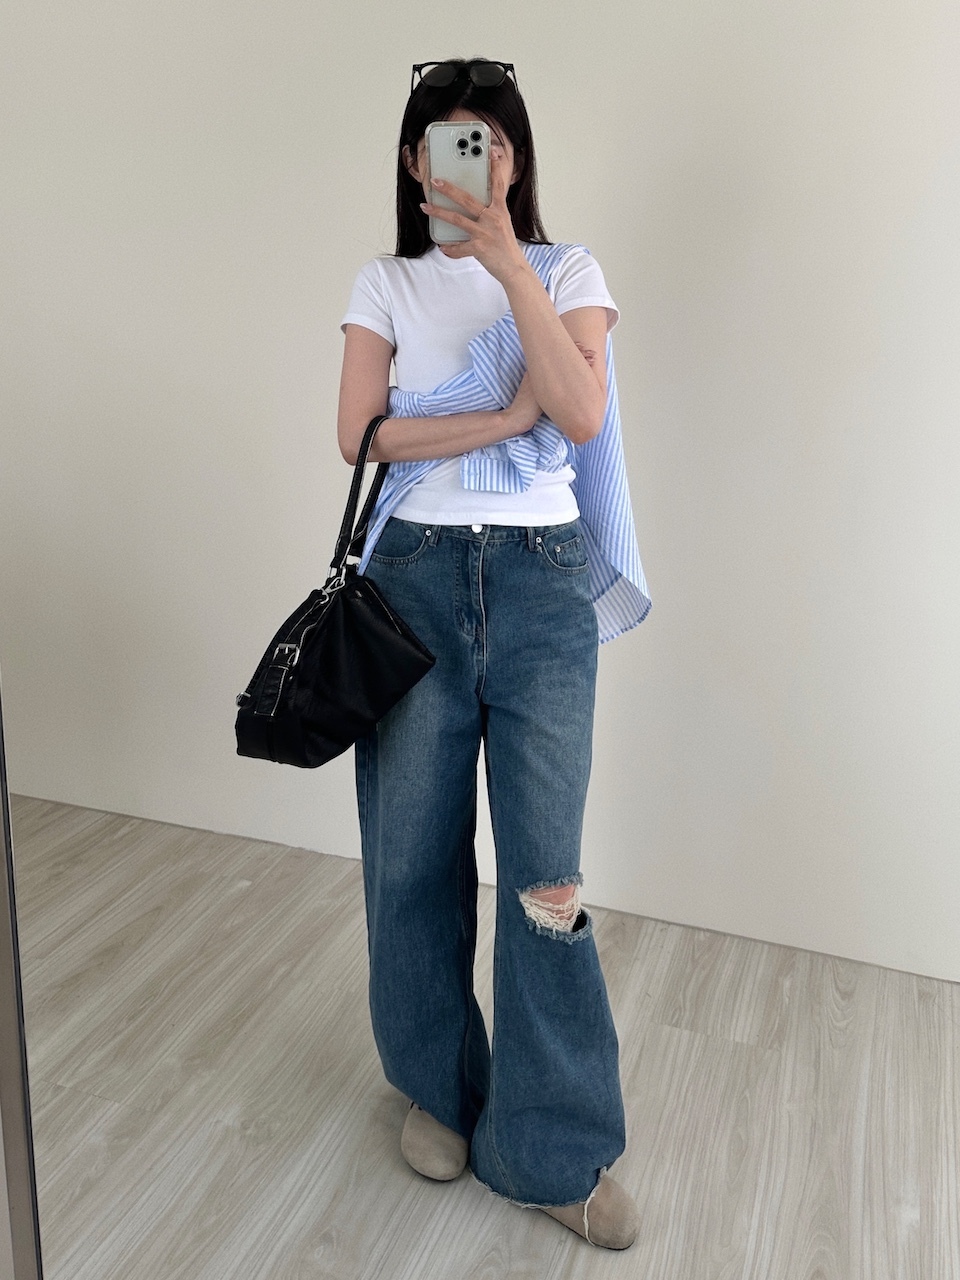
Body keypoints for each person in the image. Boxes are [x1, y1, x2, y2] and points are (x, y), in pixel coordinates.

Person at [337, 57, 651, 1251]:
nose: (467, 163)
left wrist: (511, 260)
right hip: (412, 579)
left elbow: (581, 411)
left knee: (546, 878)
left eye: (489, 143)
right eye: (445, 143)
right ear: (413, 161)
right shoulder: (386, 282)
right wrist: (503, 417)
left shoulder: (568, 271)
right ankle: (438, 1086)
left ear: (514, 159)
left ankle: (549, 1143)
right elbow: (360, 434)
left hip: (542, 584)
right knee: (410, 858)